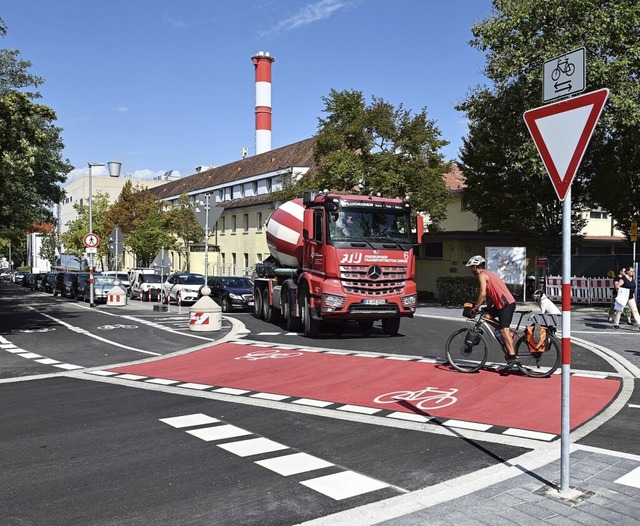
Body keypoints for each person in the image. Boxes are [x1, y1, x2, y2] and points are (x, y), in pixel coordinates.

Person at [466, 255, 519, 370]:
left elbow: (483, 294)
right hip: (501, 305)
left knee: (504, 330)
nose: (471, 270)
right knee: (486, 315)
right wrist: (488, 308)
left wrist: (476, 307)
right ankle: (506, 335)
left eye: (471, 267)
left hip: (506, 305)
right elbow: (490, 295)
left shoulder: (482, 275)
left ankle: (512, 357)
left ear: (476, 267)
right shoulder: (488, 274)